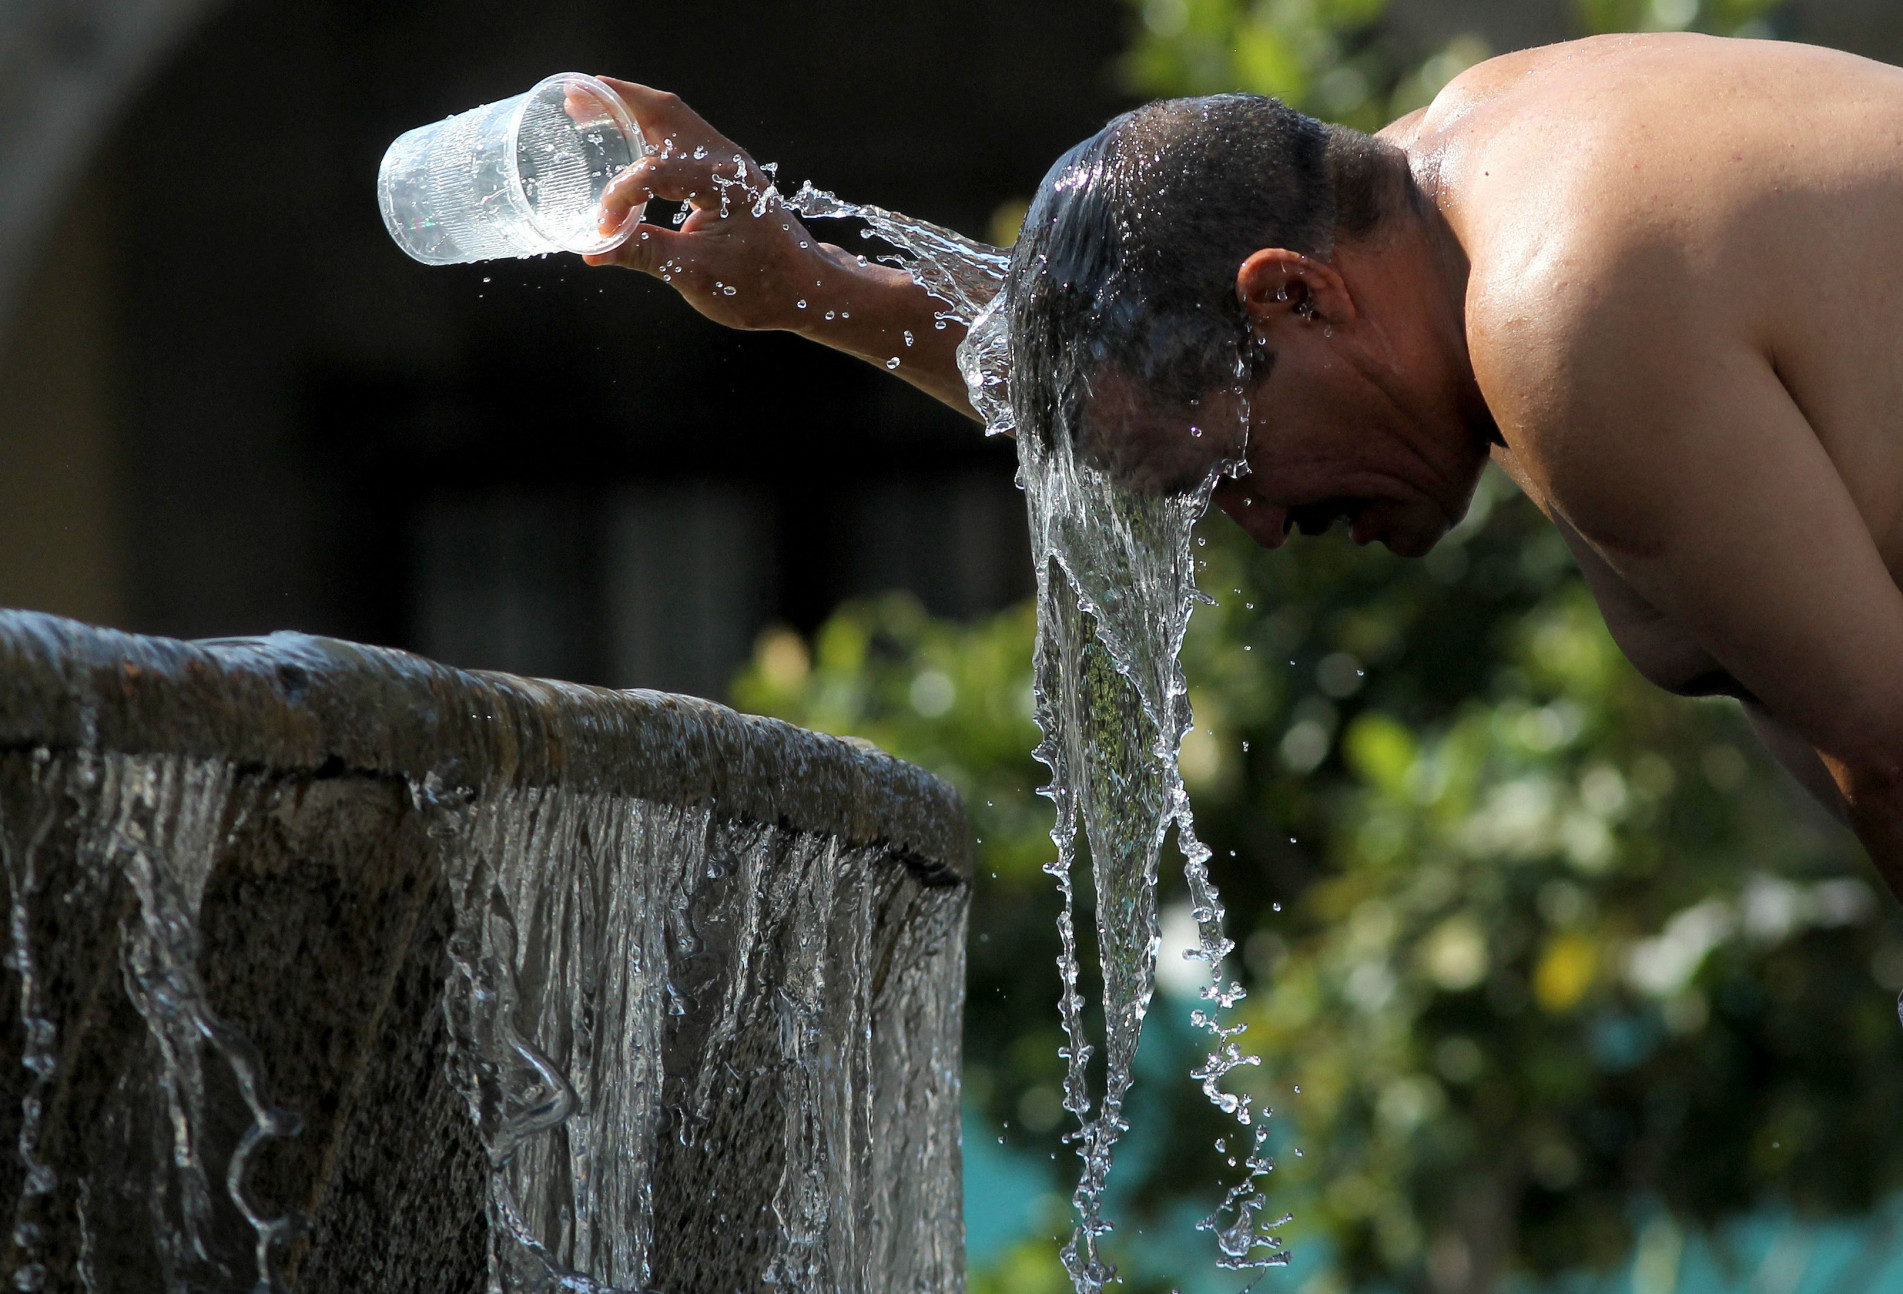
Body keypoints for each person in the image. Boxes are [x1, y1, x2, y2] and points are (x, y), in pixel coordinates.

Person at [582, 33, 1903, 897]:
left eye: (1228, 473)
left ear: (1299, 300)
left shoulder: (1560, 314)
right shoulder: (1455, 174)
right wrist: (806, 284)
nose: (1261, 525)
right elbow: (1129, 359)